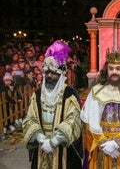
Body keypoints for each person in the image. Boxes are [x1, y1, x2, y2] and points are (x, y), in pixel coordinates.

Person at [22, 40, 83, 169]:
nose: (49, 76)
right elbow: (30, 119)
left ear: (61, 74)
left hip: (63, 147)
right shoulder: (37, 94)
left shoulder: (70, 94)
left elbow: (73, 120)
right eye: (47, 72)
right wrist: (41, 139)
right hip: (42, 145)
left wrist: (54, 141)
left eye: (53, 73)